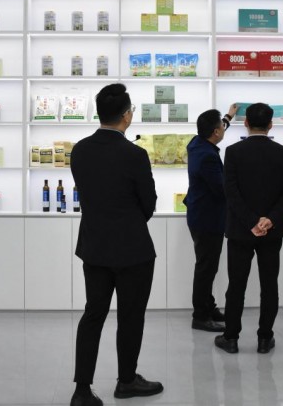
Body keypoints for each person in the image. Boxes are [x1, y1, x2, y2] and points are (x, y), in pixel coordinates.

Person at [69, 83, 163, 406]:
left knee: (93, 315)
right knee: (131, 316)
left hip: (94, 246)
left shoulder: (80, 150)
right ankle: (126, 380)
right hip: (133, 249)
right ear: (126, 116)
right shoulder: (135, 155)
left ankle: (82, 390)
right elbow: (148, 204)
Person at [214, 102, 283, 355]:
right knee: (269, 285)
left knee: (236, 285)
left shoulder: (233, 152)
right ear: (270, 125)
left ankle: (231, 337)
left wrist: (251, 221)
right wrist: (269, 219)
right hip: (272, 231)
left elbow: (231, 192)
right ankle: (264, 338)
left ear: (246, 123)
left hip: (241, 230)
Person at [184, 104, 237, 333]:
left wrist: (228, 117)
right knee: (206, 268)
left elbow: (218, 127)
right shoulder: (207, 157)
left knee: (207, 266)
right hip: (208, 218)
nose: (223, 129)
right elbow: (220, 189)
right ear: (215, 132)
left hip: (199, 214)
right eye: (221, 127)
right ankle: (200, 315)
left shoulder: (197, 143)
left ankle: (208, 305)